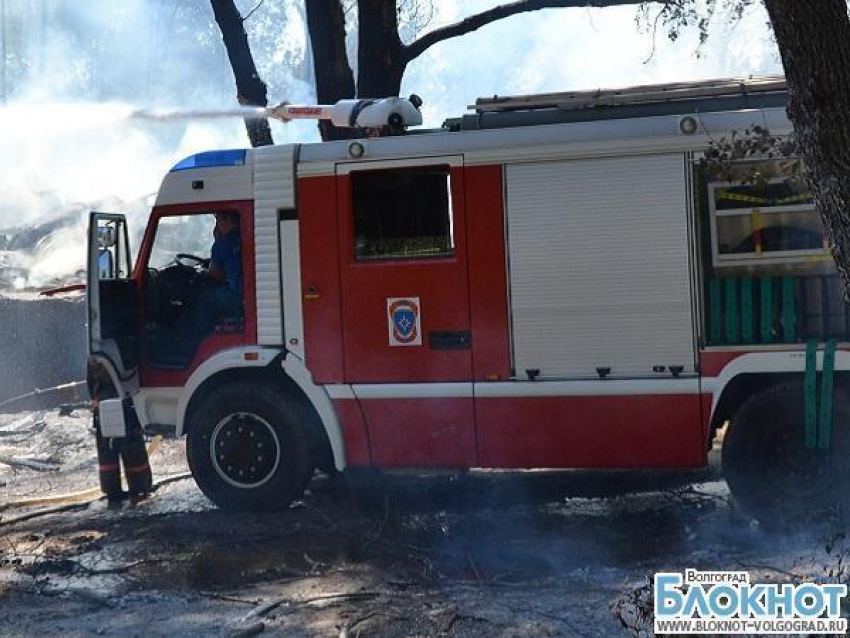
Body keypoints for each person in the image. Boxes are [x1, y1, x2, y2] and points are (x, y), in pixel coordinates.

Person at [195, 211, 243, 336]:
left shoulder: (224, 243)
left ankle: (199, 337)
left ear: (226, 220)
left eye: (218, 220)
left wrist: (217, 240)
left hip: (236, 298)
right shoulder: (247, 235)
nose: (216, 226)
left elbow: (215, 274)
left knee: (201, 299)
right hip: (249, 295)